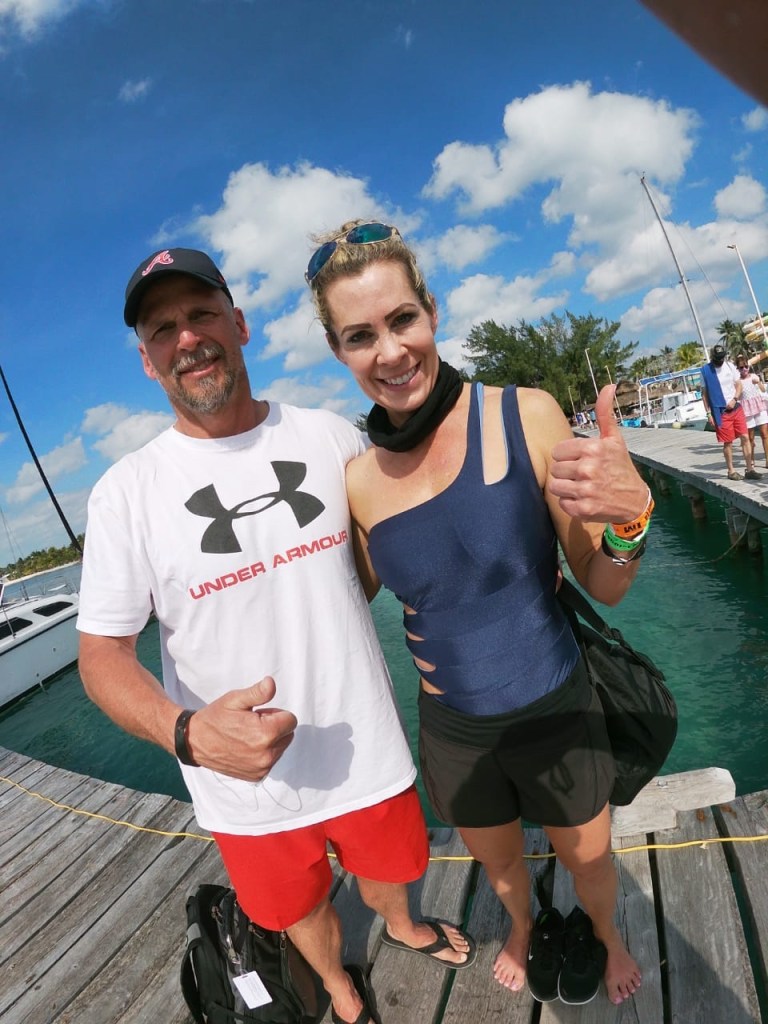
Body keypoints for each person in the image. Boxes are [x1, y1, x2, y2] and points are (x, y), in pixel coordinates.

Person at [77, 247, 474, 1024]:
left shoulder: (330, 439)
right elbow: (101, 656)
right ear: (147, 361)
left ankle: (402, 925)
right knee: (297, 908)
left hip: (363, 744)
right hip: (240, 786)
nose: (187, 338)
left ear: (240, 323)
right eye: (163, 329)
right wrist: (188, 733)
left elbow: (370, 570)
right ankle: (337, 985)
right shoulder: (125, 494)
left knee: (391, 871)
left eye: (201, 314)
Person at [305, 220, 649, 1006]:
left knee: (590, 859)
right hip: (455, 731)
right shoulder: (357, 482)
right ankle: (524, 928)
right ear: (338, 351)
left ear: (431, 311)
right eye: (360, 336)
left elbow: (604, 582)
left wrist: (632, 520)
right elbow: (335, 602)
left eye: (402, 320)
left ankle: (606, 933)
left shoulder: (524, 415)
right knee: (498, 865)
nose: (389, 351)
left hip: (557, 705)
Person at [700, 343, 761, 481]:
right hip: (720, 411)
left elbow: (738, 385)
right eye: (718, 358)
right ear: (713, 357)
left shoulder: (730, 366)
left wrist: (735, 399)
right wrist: (708, 414)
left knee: (745, 437)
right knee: (728, 442)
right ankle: (731, 471)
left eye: (722, 357)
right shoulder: (705, 371)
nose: (720, 360)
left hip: (736, 407)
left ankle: (750, 469)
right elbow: (704, 394)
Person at [735, 355, 768, 468]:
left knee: (765, 434)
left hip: (759, 407)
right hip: (746, 410)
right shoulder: (738, 381)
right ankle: (751, 459)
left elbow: (763, 390)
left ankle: (767, 459)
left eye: (746, 366)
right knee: (750, 437)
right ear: (738, 369)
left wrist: (758, 383)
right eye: (741, 367)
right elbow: (737, 396)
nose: (744, 369)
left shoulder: (754, 376)